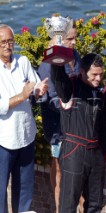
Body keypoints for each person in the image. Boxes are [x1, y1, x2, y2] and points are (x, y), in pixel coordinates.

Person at [50, 53, 106, 212]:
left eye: (101, 74)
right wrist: (58, 55)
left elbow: (101, 128)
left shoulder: (101, 93)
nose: (98, 79)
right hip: (73, 152)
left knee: (95, 203)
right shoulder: (70, 89)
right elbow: (58, 77)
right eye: (94, 74)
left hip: (96, 154)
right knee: (69, 203)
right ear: (82, 72)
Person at [0, 24, 48, 213]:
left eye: (10, 41)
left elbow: (34, 88)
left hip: (25, 136)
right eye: (3, 42)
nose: (7, 45)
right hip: (3, 140)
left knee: (25, 189)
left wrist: (39, 91)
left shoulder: (24, 61)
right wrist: (22, 95)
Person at [37, 19, 83, 213]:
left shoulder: (75, 55)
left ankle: (79, 200)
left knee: (77, 164)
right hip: (58, 126)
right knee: (59, 170)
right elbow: (49, 99)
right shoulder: (48, 64)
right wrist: (70, 105)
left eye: (75, 38)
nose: (74, 42)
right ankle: (58, 208)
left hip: (77, 122)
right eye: (70, 39)